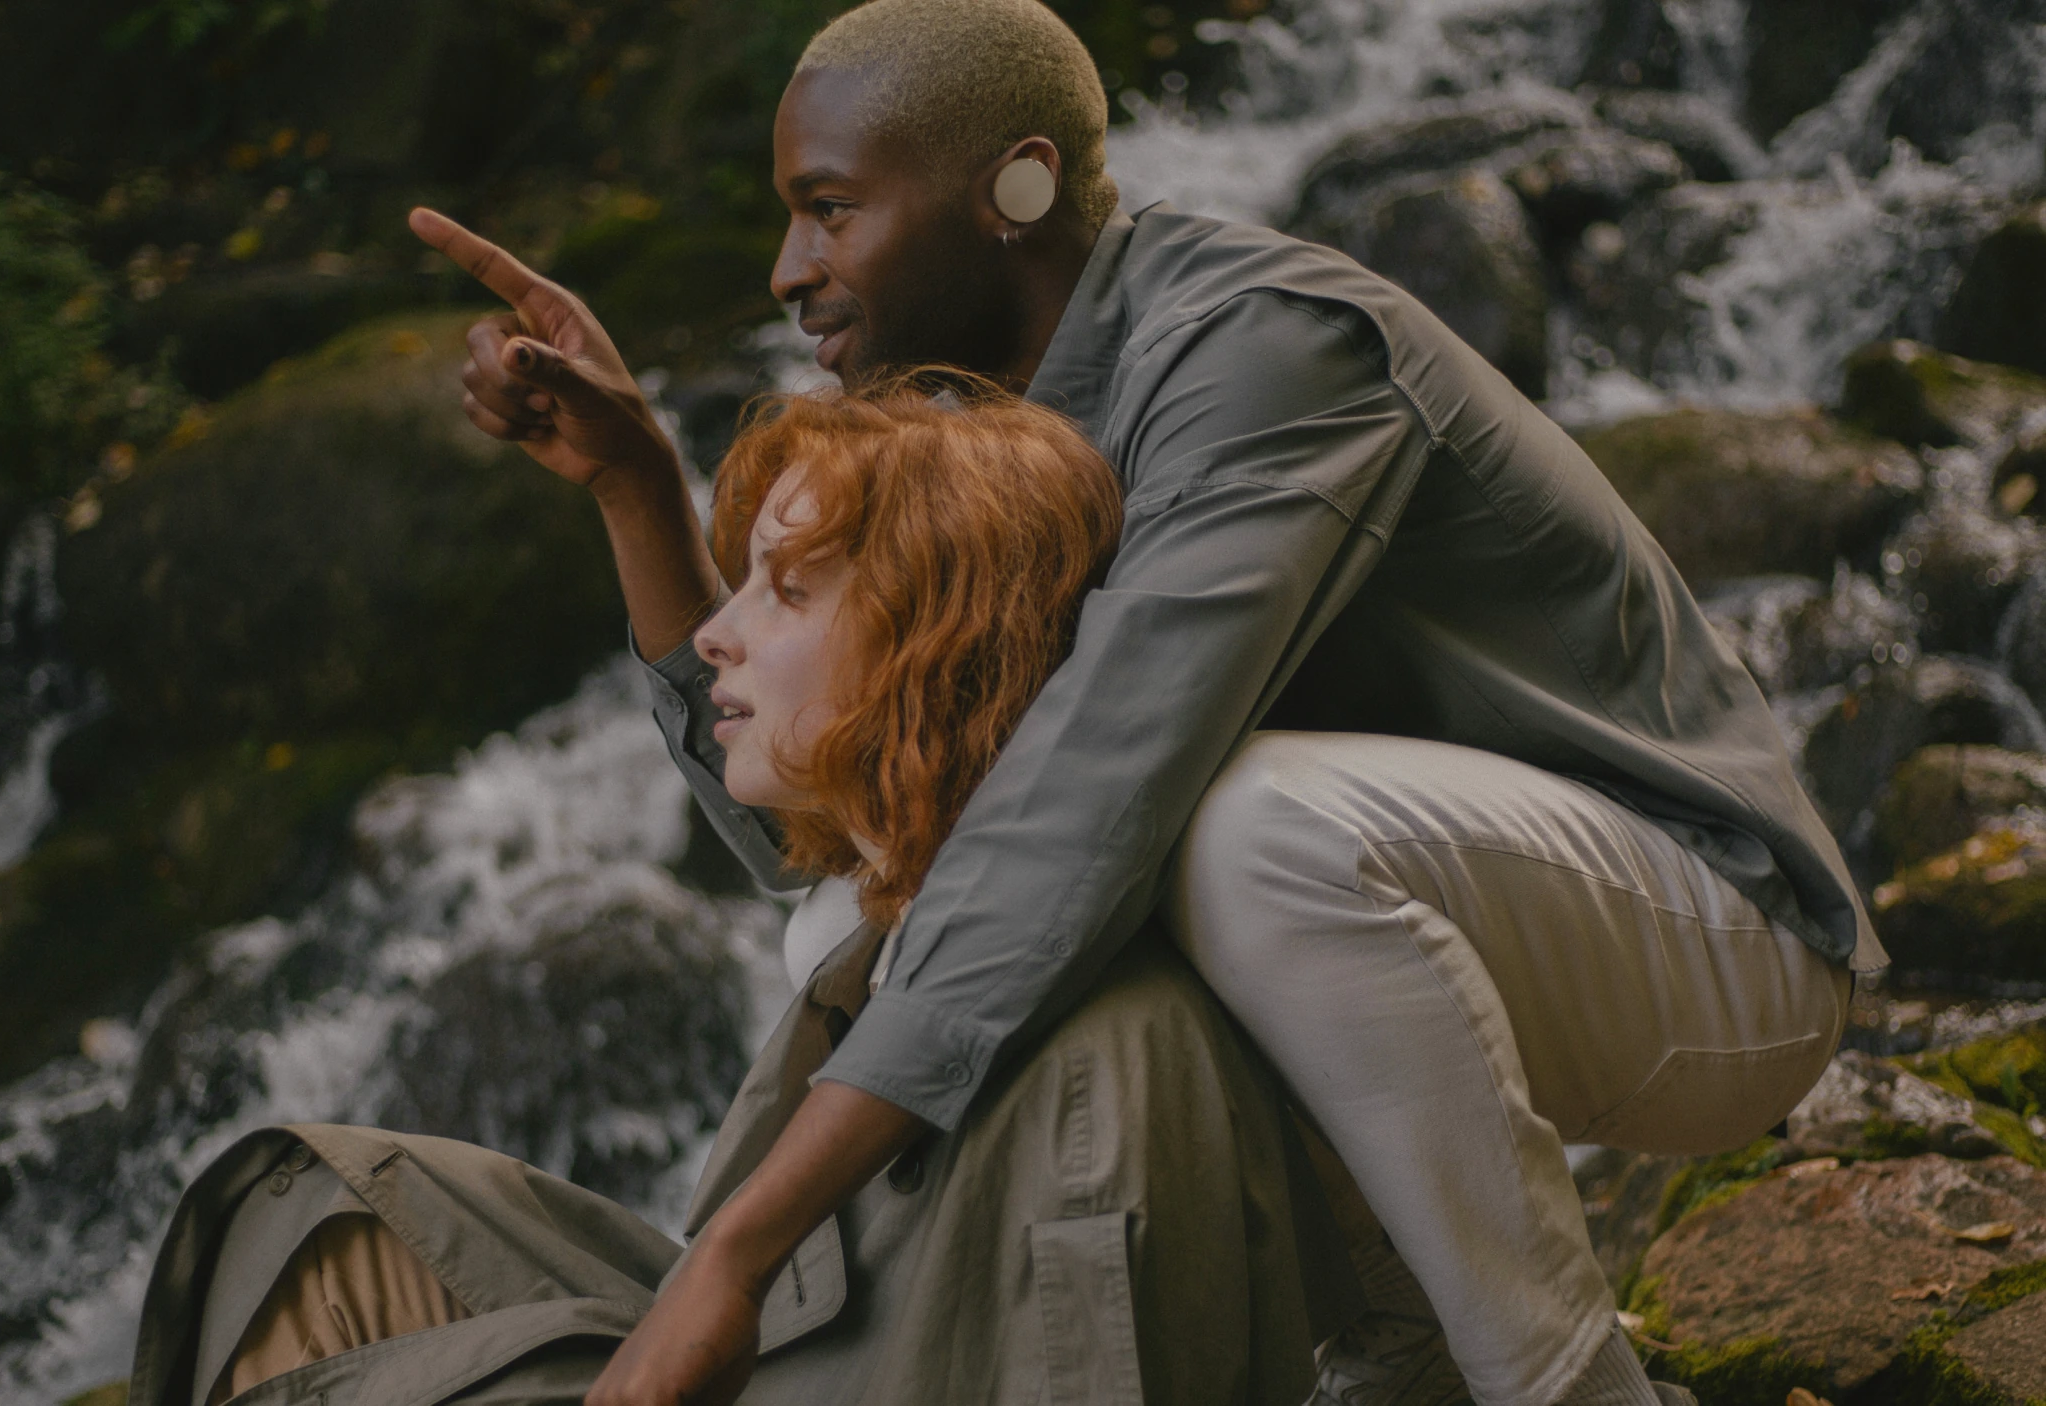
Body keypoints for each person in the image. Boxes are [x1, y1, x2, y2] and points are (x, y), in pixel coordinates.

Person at [408, 2, 1883, 1404]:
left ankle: (1566, 1383)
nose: (791, 267)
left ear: (1021, 187)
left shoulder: (1264, 346)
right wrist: (637, 489)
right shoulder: (972, 434)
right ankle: (1405, 1357)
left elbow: (1091, 799)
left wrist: (737, 1246)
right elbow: (856, 834)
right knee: (907, 917)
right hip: (1434, 936)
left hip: (1710, 937)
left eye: (833, 208)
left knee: (1231, 832)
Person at [128, 385, 1355, 1406]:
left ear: (939, 647)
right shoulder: (895, 914)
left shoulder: (1100, 1066)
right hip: (791, 1353)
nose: (718, 630)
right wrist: (632, 486)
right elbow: (757, 799)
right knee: (317, 1212)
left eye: (788, 589)